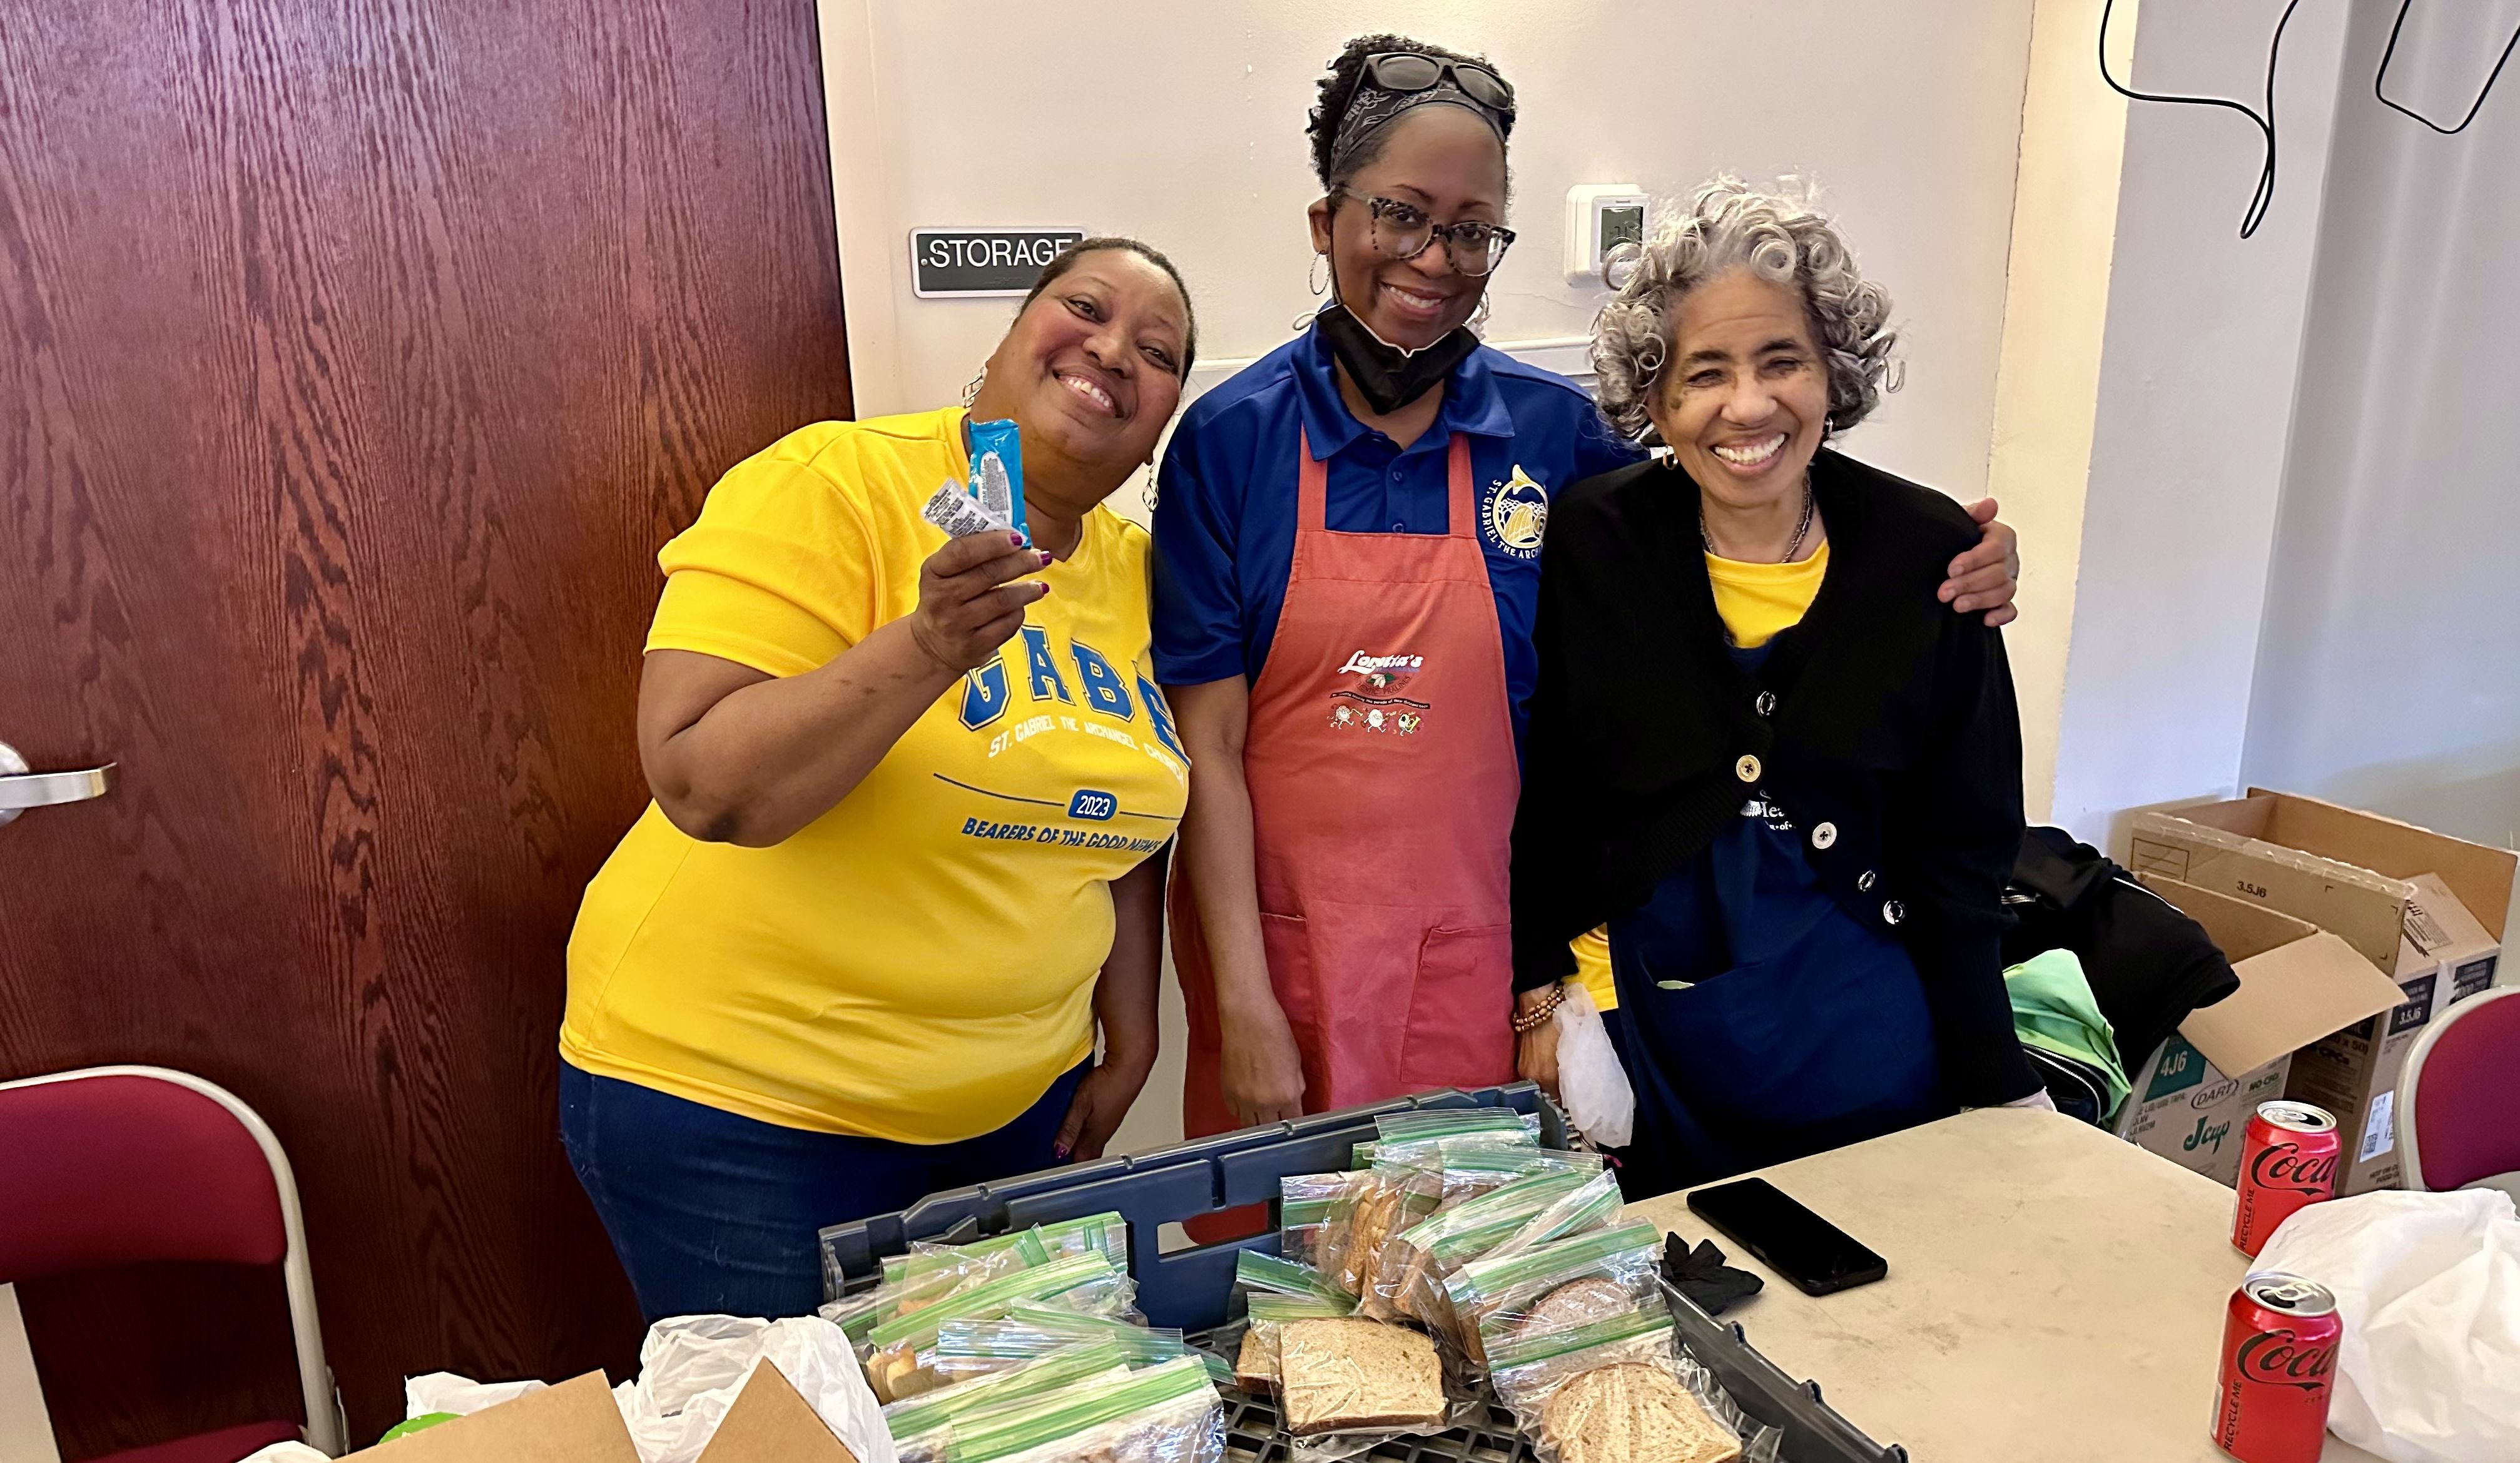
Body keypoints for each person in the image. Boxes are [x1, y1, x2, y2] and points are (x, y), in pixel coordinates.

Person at [1152, 36, 2025, 1159]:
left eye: (1471, 228)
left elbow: (1732, 504)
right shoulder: (1230, 443)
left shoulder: (1556, 438)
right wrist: (1242, 1001)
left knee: (1500, 1272)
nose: (1435, 254)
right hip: (1295, 944)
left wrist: (1959, 559)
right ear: (1328, 223)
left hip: (1491, 953)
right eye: (1402, 214)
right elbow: (1206, 754)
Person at [558, 238, 1198, 1320]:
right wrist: (930, 646)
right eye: (1083, 307)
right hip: (746, 1117)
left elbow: (1124, 819)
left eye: (1159, 350)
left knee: (993, 1427)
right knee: (797, 1439)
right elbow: (705, 784)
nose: (1112, 350)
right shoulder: (839, 483)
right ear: (1006, 338)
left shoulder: (1137, 574)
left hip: (1013, 1114)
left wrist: (1130, 1027)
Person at [1508, 179, 2048, 1200]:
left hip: (1860, 1033)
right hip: (1650, 1032)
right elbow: (1544, 793)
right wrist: (1543, 992)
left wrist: (1991, 1066)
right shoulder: (1595, 543)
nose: (1748, 406)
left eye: (1782, 361)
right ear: (1656, 403)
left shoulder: (1929, 553)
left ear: (1835, 372)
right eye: (1704, 373)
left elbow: (1966, 836)